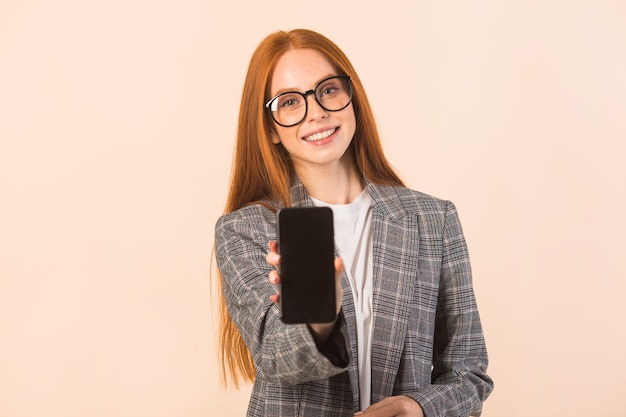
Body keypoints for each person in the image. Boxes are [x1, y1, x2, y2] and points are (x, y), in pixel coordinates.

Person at [214, 28, 493, 417]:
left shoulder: (433, 220)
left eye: (327, 90)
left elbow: (469, 372)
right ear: (270, 129)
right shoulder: (246, 230)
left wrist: (419, 407)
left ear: (351, 98)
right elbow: (276, 357)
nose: (316, 112)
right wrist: (321, 319)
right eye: (290, 102)